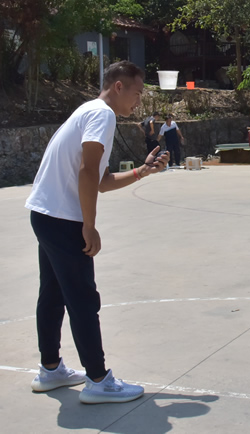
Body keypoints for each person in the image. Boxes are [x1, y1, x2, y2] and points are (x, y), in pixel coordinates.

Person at [24, 60, 169, 404]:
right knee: (82, 298)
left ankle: (50, 369)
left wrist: (142, 171)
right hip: (63, 219)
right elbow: (88, 173)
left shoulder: (89, 111)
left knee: (53, 294)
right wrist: (88, 226)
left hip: (46, 214)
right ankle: (98, 380)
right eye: (137, 92)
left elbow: (101, 181)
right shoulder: (103, 115)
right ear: (118, 86)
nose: (139, 100)